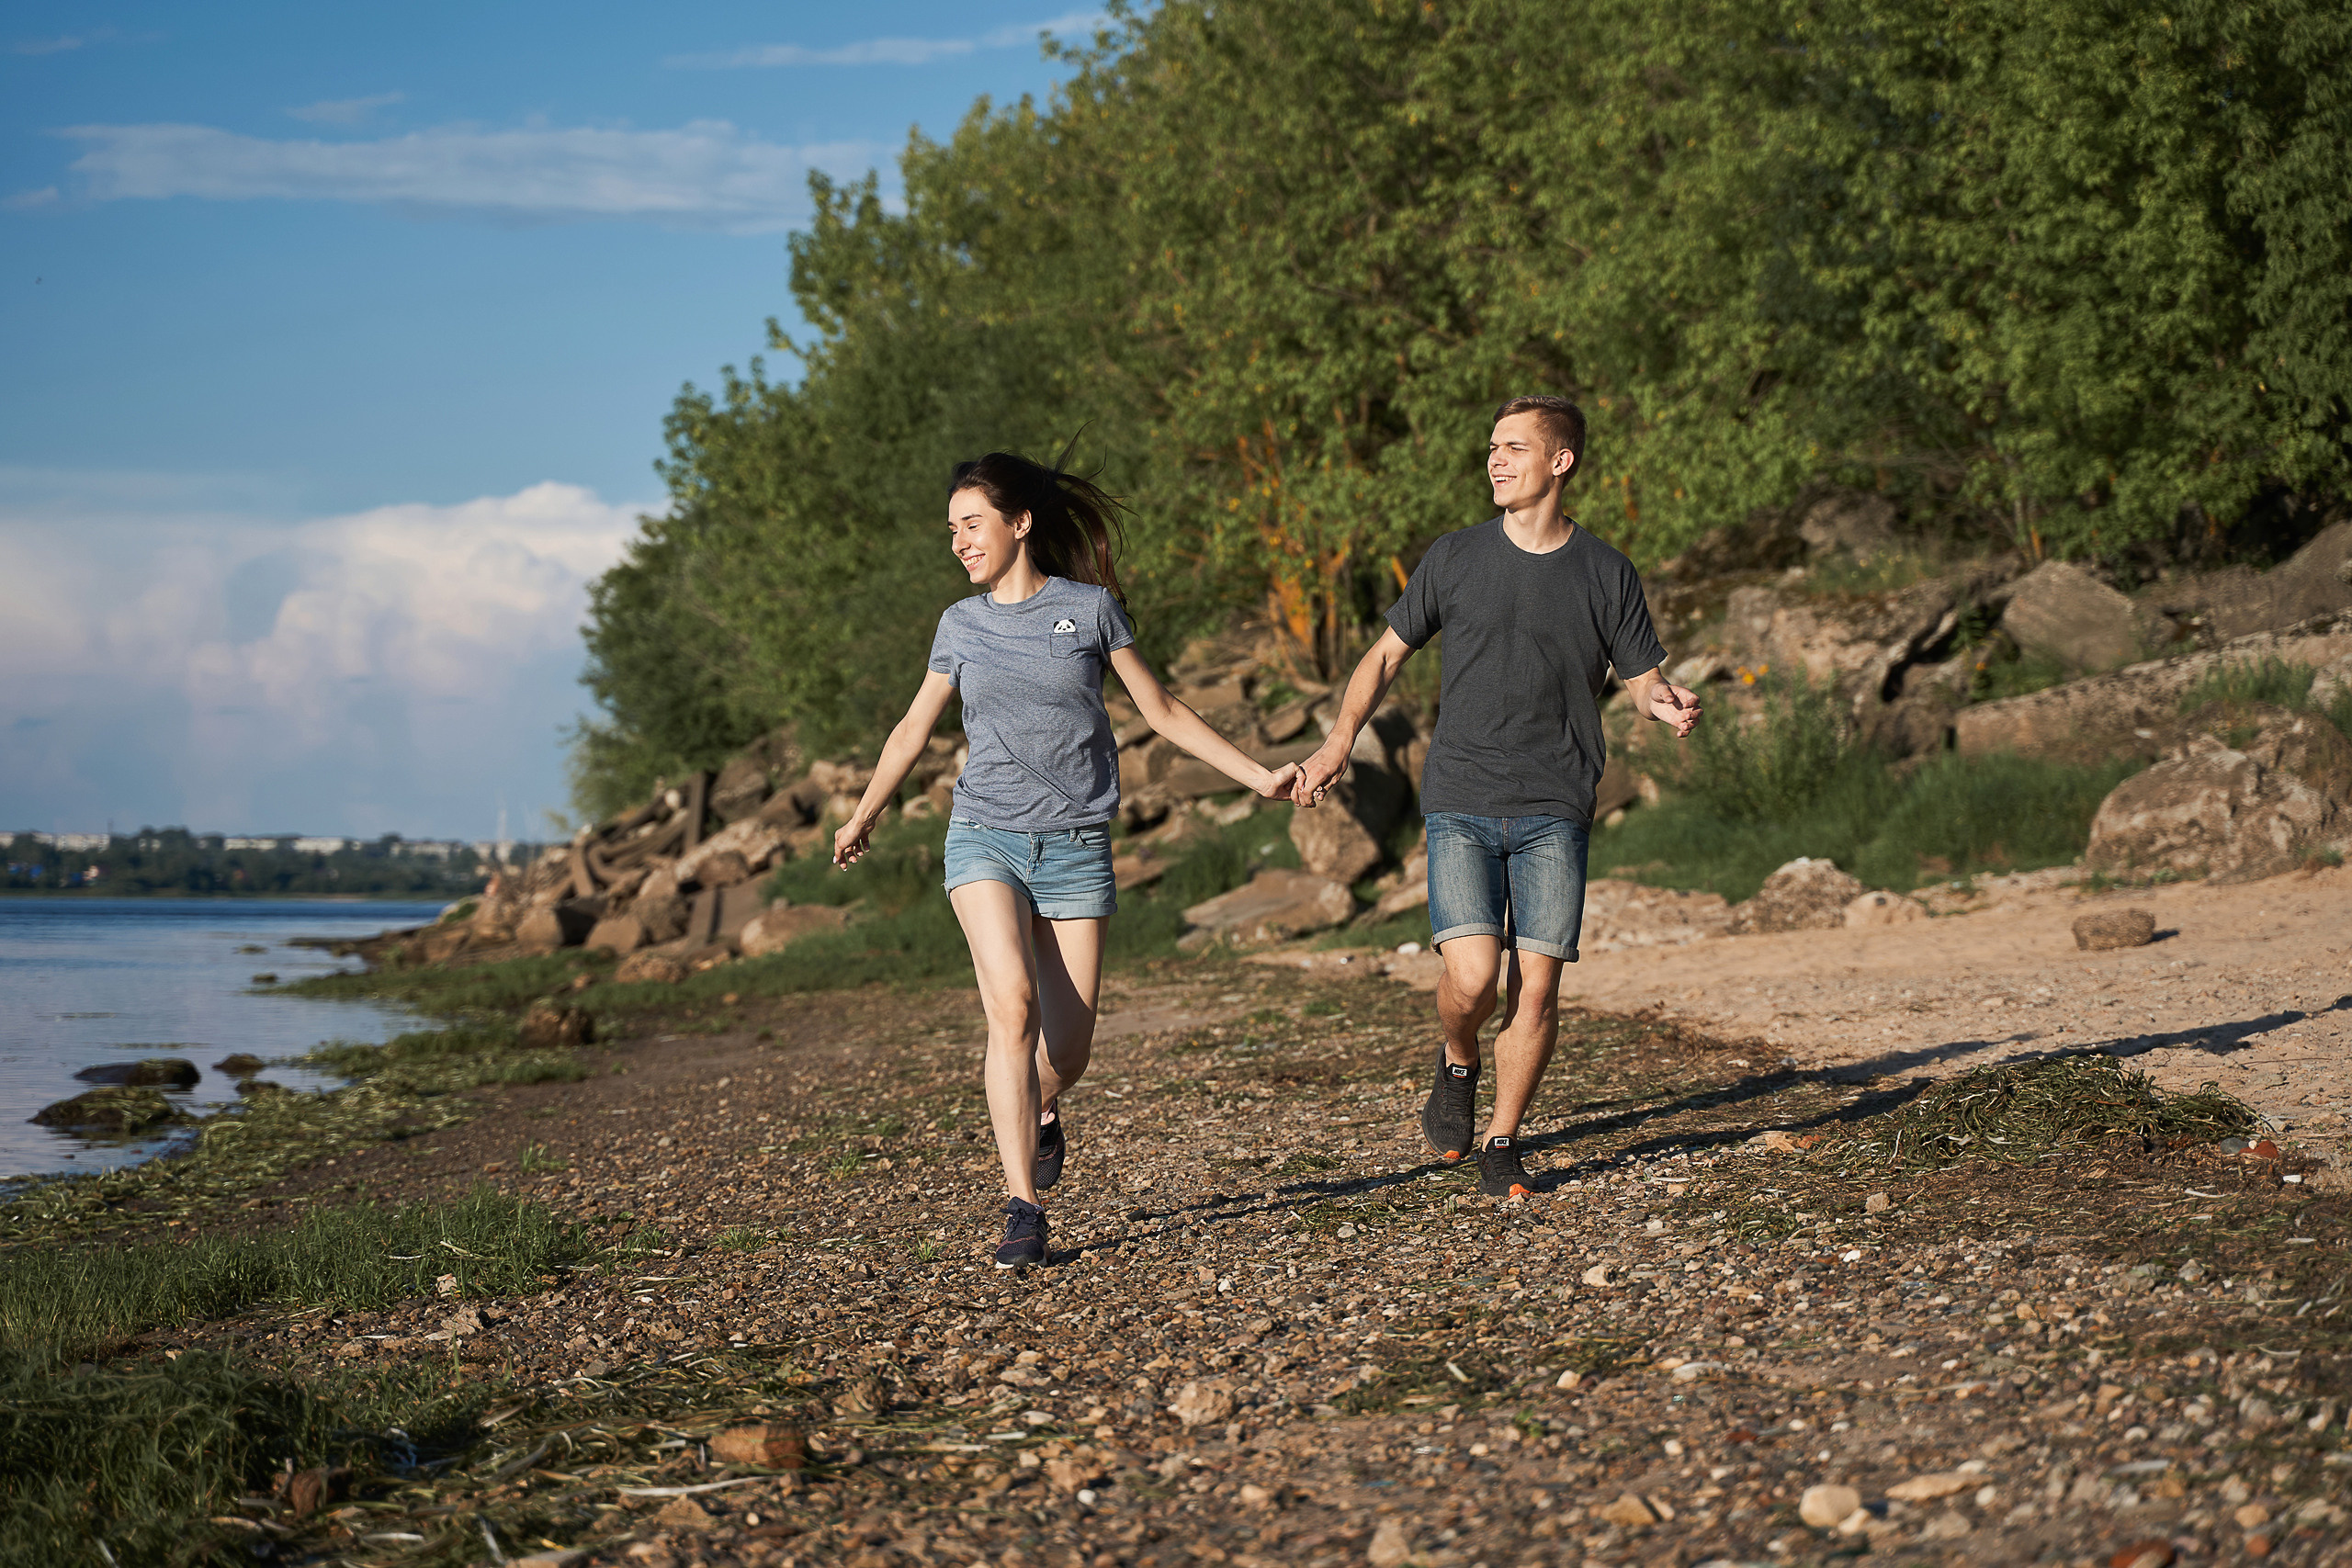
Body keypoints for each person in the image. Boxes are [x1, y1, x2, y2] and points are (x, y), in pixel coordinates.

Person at [834, 452, 1300, 1268]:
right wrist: (865, 811)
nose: (958, 542)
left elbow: (1160, 709)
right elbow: (914, 728)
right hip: (984, 834)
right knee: (1010, 1007)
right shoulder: (959, 625)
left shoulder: (1089, 611)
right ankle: (1023, 1206)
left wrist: (1257, 774)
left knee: (1070, 1049)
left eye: (970, 524)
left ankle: (1041, 1106)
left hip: (1077, 843)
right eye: (951, 530)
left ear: (1020, 524)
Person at [1292, 396, 1702, 1198]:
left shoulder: (1606, 571)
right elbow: (1382, 657)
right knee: (1474, 980)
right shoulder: (1455, 557)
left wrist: (1666, 699)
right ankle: (1458, 1058)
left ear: (1560, 461)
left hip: (1556, 798)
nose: (1495, 460)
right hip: (1462, 794)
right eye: (1491, 447)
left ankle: (1504, 1138)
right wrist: (1339, 739)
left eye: (1513, 447)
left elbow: (1640, 675)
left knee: (1538, 983)